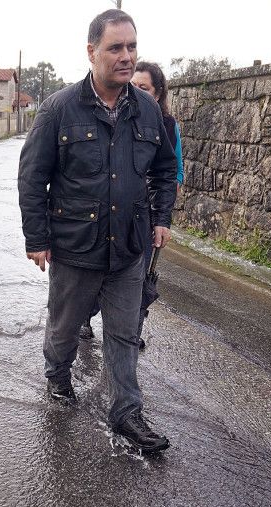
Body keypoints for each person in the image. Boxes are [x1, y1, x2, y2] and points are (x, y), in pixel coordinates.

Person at [17, 9, 177, 452]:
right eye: (115, 48)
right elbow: (32, 178)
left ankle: (126, 414)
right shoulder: (59, 110)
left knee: (124, 333)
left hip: (129, 247)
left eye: (131, 47)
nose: (126, 57)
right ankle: (57, 375)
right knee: (65, 328)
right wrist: (37, 239)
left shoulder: (147, 110)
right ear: (92, 52)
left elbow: (165, 169)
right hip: (75, 247)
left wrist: (161, 218)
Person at [79, 60, 184, 347]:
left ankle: (130, 332)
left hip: (147, 215)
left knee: (139, 278)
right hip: (117, 209)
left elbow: (174, 170)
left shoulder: (167, 125)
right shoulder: (120, 116)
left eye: (144, 87)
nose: (136, 91)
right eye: (133, 85)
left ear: (158, 93)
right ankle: (86, 317)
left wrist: (162, 215)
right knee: (101, 270)